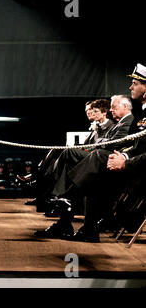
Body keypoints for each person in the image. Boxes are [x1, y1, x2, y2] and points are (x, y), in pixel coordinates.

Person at [35, 63, 146, 242]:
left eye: (135, 83)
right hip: (132, 166)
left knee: (96, 159)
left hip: (139, 174)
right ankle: (78, 223)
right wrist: (124, 156)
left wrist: (125, 161)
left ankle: (67, 199)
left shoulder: (136, 117)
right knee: (86, 164)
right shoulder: (142, 114)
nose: (130, 87)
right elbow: (137, 147)